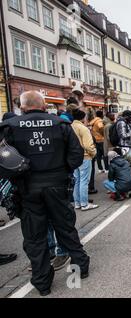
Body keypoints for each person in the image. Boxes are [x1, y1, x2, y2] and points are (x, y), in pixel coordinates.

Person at [0, 91, 89, 296]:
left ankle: (42, 283)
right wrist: (63, 171)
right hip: (58, 185)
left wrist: (17, 178)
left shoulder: (10, 128)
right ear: (44, 105)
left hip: (28, 188)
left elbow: (3, 160)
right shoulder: (60, 124)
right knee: (65, 228)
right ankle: (80, 267)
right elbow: (76, 155)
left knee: (35, 236)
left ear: (22, 108)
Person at [71, 107, 98, 211]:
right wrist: (94, 153)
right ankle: (84, 203)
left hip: (74, 157)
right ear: (83, 118)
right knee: (84, 181)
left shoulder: (70, 127)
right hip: (85, 156)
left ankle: (77, 203)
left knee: (77, 180)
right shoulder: (83, 128)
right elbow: (88, 145)